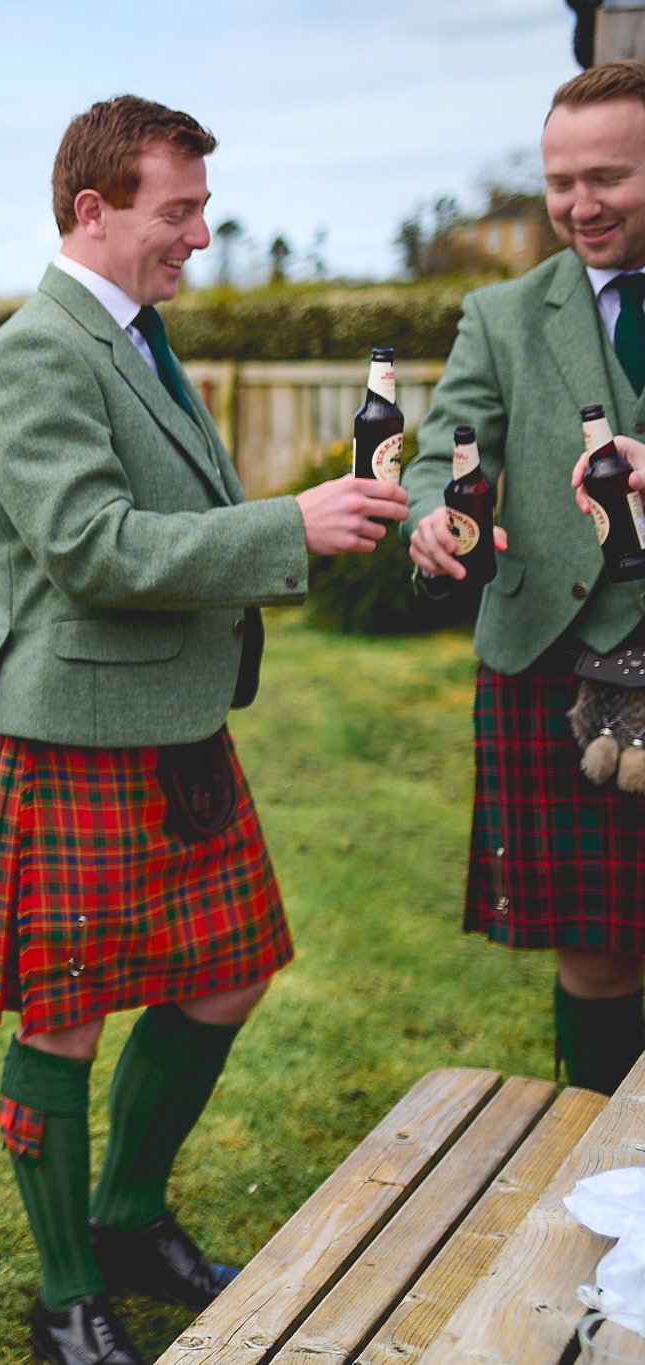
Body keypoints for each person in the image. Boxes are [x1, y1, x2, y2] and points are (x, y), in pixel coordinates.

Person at [0, 95, 406, 1365]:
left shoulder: (134, 339)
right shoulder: (39, 351)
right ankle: (64, 1290)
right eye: (176, 209)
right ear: (91, 211)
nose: (199, 235)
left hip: (174, 724)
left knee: (226, 973)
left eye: (200, 208)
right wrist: (284, 527)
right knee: (65, 1017)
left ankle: (131, 1217)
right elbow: (91, 549)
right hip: (70, 732)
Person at [408, 60, 645, 1100]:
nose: (578, 206)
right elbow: (441, 449)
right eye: (559, 183)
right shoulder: (503, 314)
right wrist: (430, 514)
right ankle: (606, 1162)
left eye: (607, 178)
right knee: (595, 948)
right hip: (548, 654)